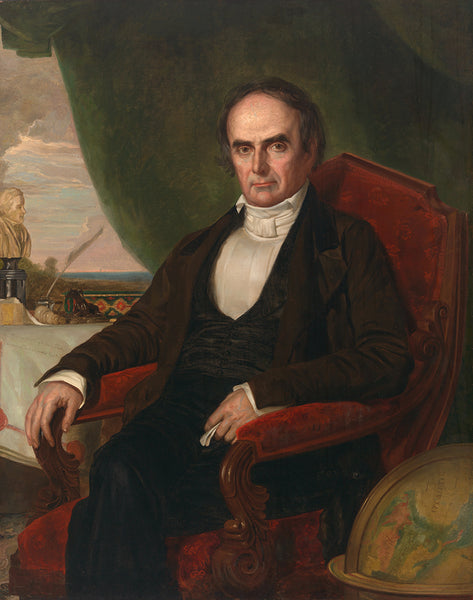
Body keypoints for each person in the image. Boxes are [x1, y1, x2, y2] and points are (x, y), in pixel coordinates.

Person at [25, 78, 413, 599]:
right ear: (230, 156)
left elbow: (387, 359)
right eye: (243, 149)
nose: (259, 167)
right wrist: (75, 372)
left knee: (109, 502)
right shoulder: (198, 246)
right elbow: (143, 326)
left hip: (275, 439)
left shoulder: (346, 242)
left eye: (277, 146)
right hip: (179, 412)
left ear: (309, 149)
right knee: (118, 468)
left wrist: (264, 392)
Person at [0, 187, 31, 258]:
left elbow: (25, 260)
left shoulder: (24, 232)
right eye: (19, 207)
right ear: (6, 209)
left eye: (23, 207)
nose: (24, 211)